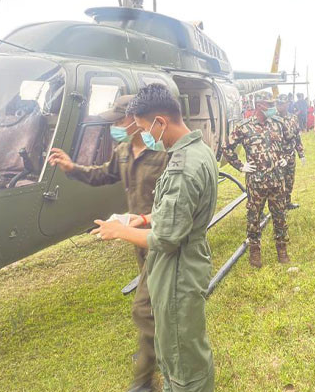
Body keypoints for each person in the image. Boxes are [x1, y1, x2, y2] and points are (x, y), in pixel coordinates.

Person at [90, 84, 217, 391]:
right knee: (187, 350)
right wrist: (145, 218)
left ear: (160, 123)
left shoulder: (181, 167)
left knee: (181, 360)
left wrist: (121, 230)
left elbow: (166, 239)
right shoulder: (197, 152)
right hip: (186, 262)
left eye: (146, 128)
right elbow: (179, 214)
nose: (145, 136)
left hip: (177, 273)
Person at [47, 95, 166, 392]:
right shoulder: (124, 150)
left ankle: (143, 381)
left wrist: (143, 220)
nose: (114, 125)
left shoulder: (165, 153)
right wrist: (72, 168)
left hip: (160, 236)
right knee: (158, 300)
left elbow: (175, 204)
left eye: (118, 120)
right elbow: (103, 174)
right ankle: (159, 346)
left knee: (144, 307)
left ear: (137, 120)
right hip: (138, 240)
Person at [222, 91, 290, 268]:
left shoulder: (277, 125)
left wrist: (283, 157)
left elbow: (285, 143)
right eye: (269, 104)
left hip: (277, 179)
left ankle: (282, 249)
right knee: (254, 217)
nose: (273, 108)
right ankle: (254, 251)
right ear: (260, 105)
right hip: (256, 182)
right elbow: (227, 147)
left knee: (280, 215)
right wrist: (240, 165)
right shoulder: (244, 127)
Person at [276, 94, 306, 209]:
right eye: (278, 104)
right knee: (279, 181)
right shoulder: (273, 119)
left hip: (290, 154)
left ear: (287, 104)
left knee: (289, 179)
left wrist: (301, 153)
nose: (280, 106)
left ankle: (287, 202)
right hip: (278, 155)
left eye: (282, 104)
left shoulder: (293, 118)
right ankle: (279, 205)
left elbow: (297, 136)